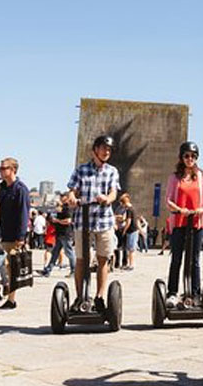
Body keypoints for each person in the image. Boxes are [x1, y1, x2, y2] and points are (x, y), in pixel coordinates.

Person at [66, 134, 120, 313]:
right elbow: (72, 191)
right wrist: (73, 198)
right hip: (83, 220)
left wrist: (107, 199)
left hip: (104, 220)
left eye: (109, 149)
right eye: (104, 148)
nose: (106, 152)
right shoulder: (81, 170)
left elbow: (114, 192)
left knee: (103, 260)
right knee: (81, 260)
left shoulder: (112, 171)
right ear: (95, 150)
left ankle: (100, 297)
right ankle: (80, 296)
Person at [165, 141, 203, 306]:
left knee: (195, 259)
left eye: (193, 156)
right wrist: (179, 209)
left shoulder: (202, 176)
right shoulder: (174, 177)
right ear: (181, 157)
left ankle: (195, 293)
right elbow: (168, 199)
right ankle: (172, 293)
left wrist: (201, 209)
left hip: (197, 222)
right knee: (176, 258)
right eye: (186, 156)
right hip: (179, 221)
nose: (190, 159)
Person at [0, 157, 30, 310]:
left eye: (4, 168)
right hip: (2, 233)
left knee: (10, 266)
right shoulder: (2, 188)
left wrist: (21, 237)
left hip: (14, 235)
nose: (1, 171)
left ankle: (11, 299)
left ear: (13, 170)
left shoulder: (20, 189)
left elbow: (24, 213)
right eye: (0, 168)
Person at [41, 200, 75, 277]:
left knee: (69, 253)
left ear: (61, 206)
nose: (56, 208)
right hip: (59, 234)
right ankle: (47, 270)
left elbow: (68, 221)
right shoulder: (58, 213)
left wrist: (57, 221)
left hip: (65, 234)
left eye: (57, 206)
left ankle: (74, 270)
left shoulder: (67, 210)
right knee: (55, 254)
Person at [119, 193, 138, 271]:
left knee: (131, 249)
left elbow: (128, 221)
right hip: (133, 231)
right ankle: (130, 264)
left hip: (131, 231)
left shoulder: (129, 210)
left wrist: (124, 230)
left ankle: (131, 265)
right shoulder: (132, 209)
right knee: (130, 249)